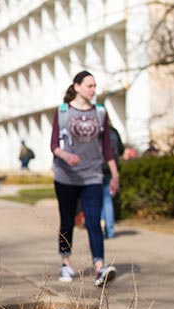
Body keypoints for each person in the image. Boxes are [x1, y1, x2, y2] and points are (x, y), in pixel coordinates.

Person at [50, 71, 119, 286]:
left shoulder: (100, 113)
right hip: (66, 177)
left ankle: (100, 267)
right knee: (67, 220)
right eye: (89, 85)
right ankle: (65, 262)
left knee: (93, 221)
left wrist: (115, 174)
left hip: (93, 175)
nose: (93, 90)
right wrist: (65, 155)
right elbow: (54, 145)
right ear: (77, 86)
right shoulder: (62, 112)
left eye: (94, 86)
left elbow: (107, 147)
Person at [101, 126, 124, 238]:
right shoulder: (114, 132)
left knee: (98, 199)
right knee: (107, 199)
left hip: (98, 168)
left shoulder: (96, 131)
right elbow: (121, 150)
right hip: (111, 169)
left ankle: (100, 227)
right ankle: (109, 230)